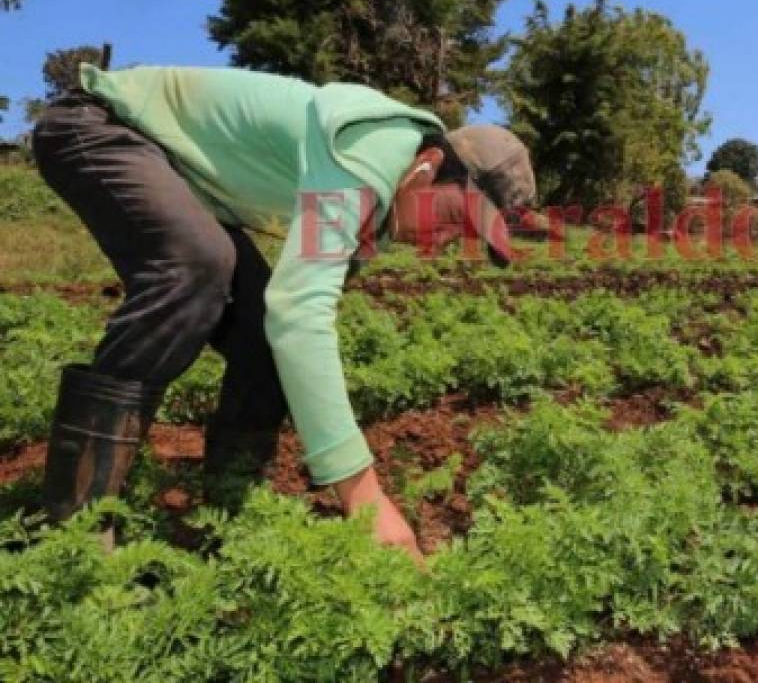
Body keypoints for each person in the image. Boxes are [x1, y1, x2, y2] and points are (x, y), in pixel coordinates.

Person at [31, 64, 535, 564]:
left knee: (263, 339)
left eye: (461, 238)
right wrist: (366, 500)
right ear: (427, 163)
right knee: (196, 267)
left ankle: (232, 516)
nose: (443, 240)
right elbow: (300, 315)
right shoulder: (374, 146)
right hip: (99, 126)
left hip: (182, 177)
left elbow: (296, 325)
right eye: (451, 217)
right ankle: (73, 530)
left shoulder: (380, 203)